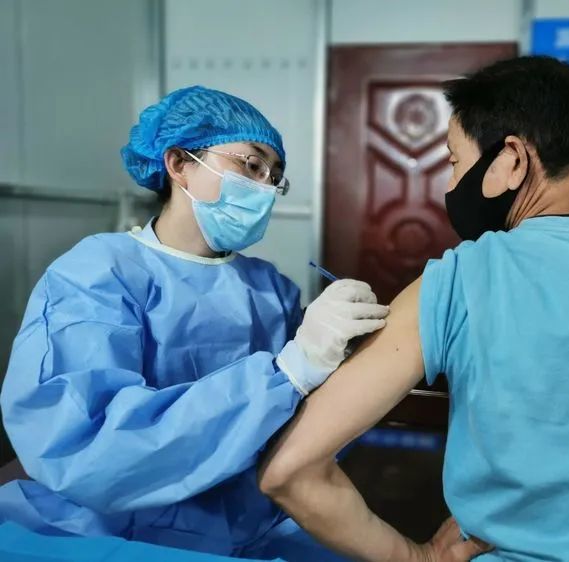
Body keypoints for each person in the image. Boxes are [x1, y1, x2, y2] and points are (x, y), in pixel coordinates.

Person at [258, 56, 569, 561]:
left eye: (454, 161)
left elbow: (290, 470)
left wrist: (418, 557)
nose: (451, 185)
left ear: (512, 159)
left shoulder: (464, 277)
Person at [0, 85, 390, 560]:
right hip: (105, 526)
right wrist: (288, 372)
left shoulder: (270, 288)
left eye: (275, 176)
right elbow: (90, 447)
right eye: (252, 165)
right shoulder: (97, 273)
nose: (265, 187)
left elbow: (306, 429)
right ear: (179, 164)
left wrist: (341, 351)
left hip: (249, 520)